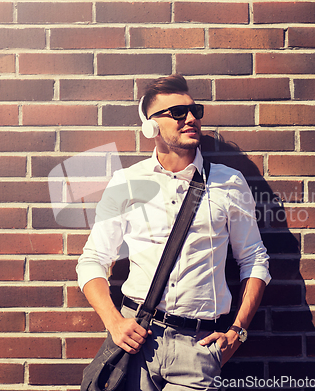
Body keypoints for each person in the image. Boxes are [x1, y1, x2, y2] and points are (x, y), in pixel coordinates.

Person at [76, 74, 271, 390]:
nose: (191, 119)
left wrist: (238, 331)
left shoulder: (229, 182)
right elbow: (92, 260)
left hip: (198, 348)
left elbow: (254, 260)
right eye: (178, 113)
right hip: (135, 342)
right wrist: (114, 323)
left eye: (195, 110)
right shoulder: (128, 182)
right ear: (150, 125)